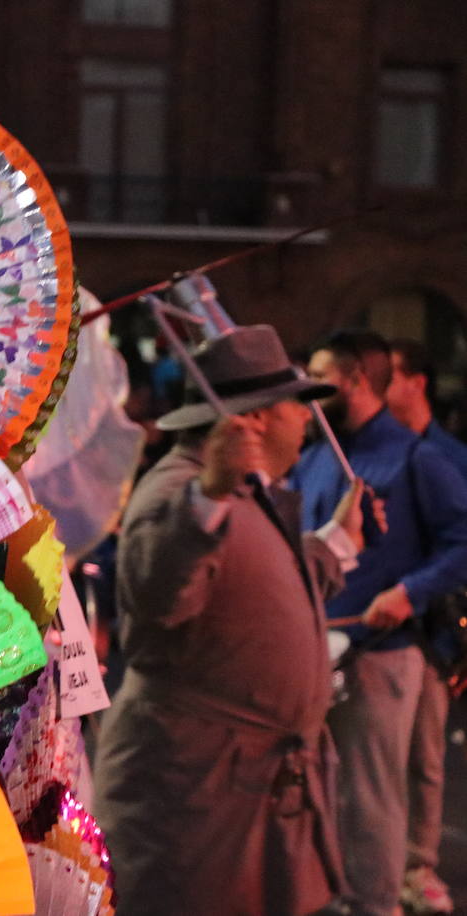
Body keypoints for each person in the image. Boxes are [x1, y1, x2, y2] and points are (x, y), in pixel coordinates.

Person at [93, 324, 368, 916]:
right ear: (260, 417)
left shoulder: (245, 491)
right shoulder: (178, 488)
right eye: (297, 403)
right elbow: (159, 594)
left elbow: (257, 592)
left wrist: (337, 545)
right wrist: (208, 495)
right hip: (196, 792)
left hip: (244, 790)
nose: (306, 420)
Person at [290, 329, 467, 916]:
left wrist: (409, 591)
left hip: (383, 650)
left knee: (372, 796)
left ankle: (376, 905)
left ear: (357, 381)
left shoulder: (418, 457)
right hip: (318, 649)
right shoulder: (314, 457)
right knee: (320, 792)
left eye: (320, 377)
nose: (308, 391)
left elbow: (463, 541)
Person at [384, 338, 467, 915]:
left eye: (387, 375)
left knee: (425, 757)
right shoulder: (373, 450)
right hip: (384, 631)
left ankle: (418, 863)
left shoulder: (447, 456)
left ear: (417, 382)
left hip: (428, 627)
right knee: (378, 760)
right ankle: (386, 865)